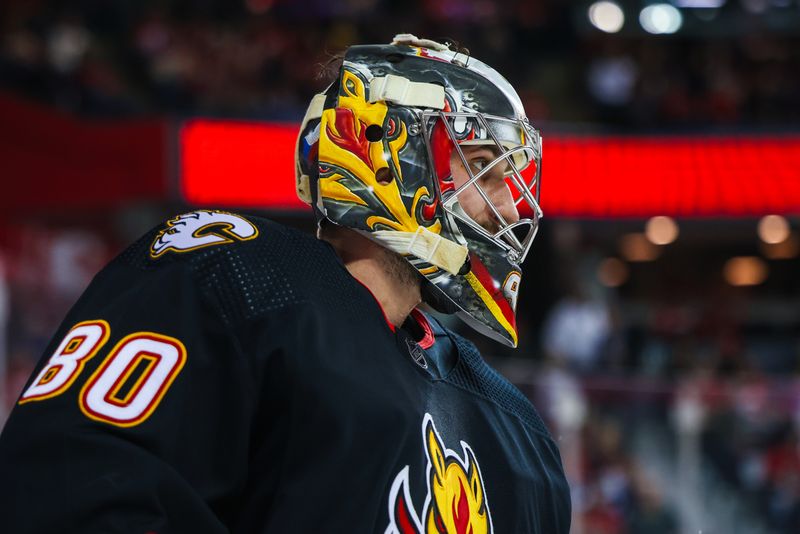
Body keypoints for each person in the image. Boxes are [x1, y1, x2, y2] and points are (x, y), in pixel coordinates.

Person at [0, 35, 570, 533]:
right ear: (393, 157)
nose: (514, 206)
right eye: (482, 168)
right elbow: (79, 487)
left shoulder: (518, 431)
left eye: (514, 178)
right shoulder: (235, 275)